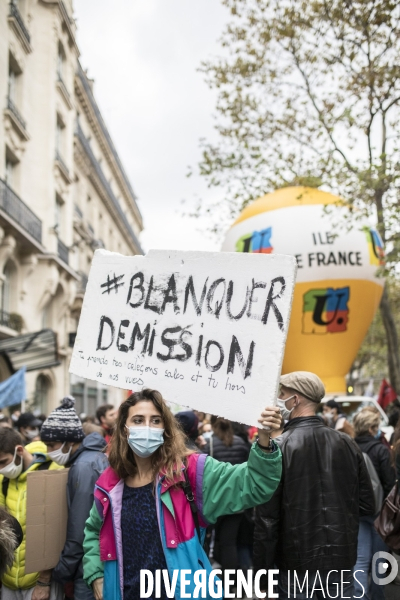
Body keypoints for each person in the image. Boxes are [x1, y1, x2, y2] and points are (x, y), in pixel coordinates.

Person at [83, 388, 282, 600]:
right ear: (124, 429)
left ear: (166, 428)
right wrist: (96, 575)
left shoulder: (192, 472)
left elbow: (255, 483)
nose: (147, 428)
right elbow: (94, 531)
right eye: (138, 420)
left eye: (156, 420)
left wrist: (263, 440)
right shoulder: (110, 483)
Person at [253, 371, 375, 599]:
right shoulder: (347, 443)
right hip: (341, 563)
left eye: (282, 394)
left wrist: (262, 572)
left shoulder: (278, 448)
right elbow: (368, 505)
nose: (279, 399)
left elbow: (267, 519)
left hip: (296, 568)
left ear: (295, 400)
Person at [40, 397, 108, 600]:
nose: (48, 452)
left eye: (52, 445)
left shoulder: (83, 467)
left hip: (88, 569)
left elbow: (80, 529)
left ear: (69, 441)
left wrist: (61, 571)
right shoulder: (92, 458)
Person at [0, 427, 63, 599]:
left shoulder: (52, 470)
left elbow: (55, 533)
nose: (1, 469)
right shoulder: (4, 481)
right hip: (8, 581)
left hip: (39, 582)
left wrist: (44, 581)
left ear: (19, 450)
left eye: (3, 462)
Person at [353, 409, 396, 597]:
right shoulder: (381, 450)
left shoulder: (349, 447)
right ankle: (378, 595)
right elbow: (389, 483)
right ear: (372, 428)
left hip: (358, 511)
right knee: (380, 557)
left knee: (361, 557)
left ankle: (360, 594)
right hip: (380, 512)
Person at [204, 417, 251, 579]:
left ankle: (216, 579)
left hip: (215, 501)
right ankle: (230, 583)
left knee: (212, 540)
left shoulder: (208, 443)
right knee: (229, 543)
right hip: (237, 501)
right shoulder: (240, 442)